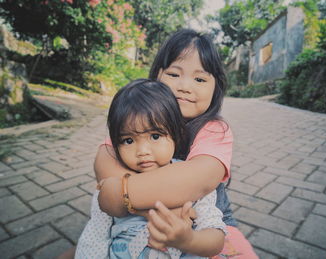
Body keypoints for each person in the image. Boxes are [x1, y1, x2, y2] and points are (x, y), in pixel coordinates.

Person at [96, 29, 258, 258]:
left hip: (205, 223)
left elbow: (196, 179)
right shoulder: (138, 117)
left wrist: (121, 192)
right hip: (136, 222)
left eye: (199, 79)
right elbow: (106, 157)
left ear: (216, 88)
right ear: (157, 76)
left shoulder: (214, 130)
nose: (185, 86)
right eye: (174, 74)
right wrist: (146, 209)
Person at [76, 79, 227, 258]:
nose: (142, 151)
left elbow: (216, 237)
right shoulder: (113, 183)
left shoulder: (190, 182)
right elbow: (94, 239)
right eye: (128, 140)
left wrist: (189, 240)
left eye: (155, 136)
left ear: (176, 134)